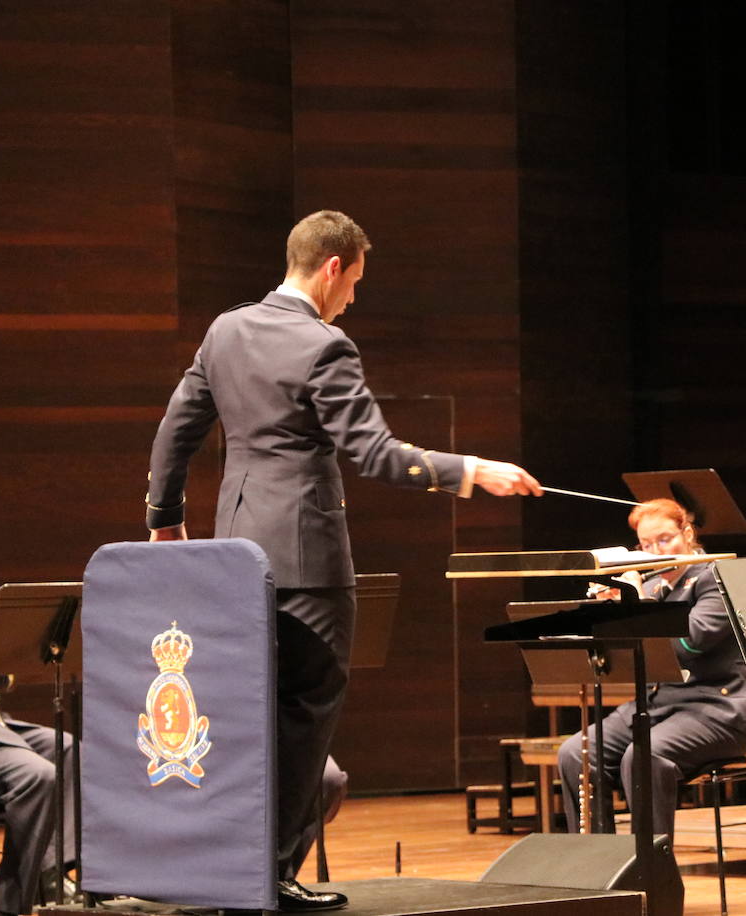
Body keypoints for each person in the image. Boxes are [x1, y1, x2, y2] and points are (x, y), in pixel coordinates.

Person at [144, 210, 541, 911]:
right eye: (354, 282)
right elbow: (374, 454)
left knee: (248, 712)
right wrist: (472, 469)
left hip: (235, 555)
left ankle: (221, 867)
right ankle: (264, 876)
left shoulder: (226, 330)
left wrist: (165, 521)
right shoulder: (326, 345)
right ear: (332, 268)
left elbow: (177, 429)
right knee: (304, 713)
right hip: (308, 560)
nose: (352, 298)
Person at [557, 498, 746, 840]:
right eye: (646, 545)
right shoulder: (650, 587)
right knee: (576, 754)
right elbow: (619, 656)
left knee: (644, 756)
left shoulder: (717, 577)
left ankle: (651, 868)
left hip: (717, 708)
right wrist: (605, 614)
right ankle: (598, 859)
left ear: (688, 532)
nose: (656, 551)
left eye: (665, 539)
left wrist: (638, 609)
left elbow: (691, 642)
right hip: (656, 704)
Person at [0, 581, 76, 916]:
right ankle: (17, 904)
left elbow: (5, 620)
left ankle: (48, 877)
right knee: (37, 776)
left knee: (68, 750)